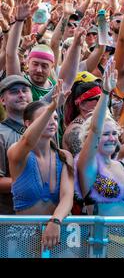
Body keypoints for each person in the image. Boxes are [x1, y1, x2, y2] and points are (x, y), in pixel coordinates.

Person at [8, 80, 74, 250]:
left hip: (57, 234)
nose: (52, 121)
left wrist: (55, 221)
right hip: (22, 240)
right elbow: (27, 141)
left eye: (55, 118)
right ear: (28, 124)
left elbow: (67, 197)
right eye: (45, 118)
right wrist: (51, 107)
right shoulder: (17, 152)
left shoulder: (64, 155)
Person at [76, 64, 124, 216]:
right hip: (103, 239)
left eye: (113, 133)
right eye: (105, 135)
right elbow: (95, 129)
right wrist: (104, 93)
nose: (111, 138)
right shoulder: (88, 167)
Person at [0, 76, 33, 215]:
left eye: (25, 90)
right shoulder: (1, 134)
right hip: (12, 219)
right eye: (14, 92)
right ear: (2, 100)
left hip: (44, 217)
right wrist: (34, 183)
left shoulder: (47, 127)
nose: (21, 95)